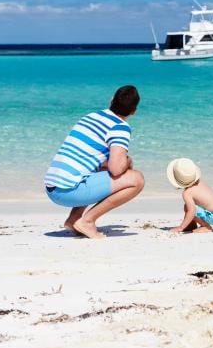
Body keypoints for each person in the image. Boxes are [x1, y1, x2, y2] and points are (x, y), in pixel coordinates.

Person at [44, 85, 144, 239]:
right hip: (68, 191)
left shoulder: (91, 117)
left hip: (52, 187)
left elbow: (100, 164)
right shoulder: (120, 127)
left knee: (101, 169)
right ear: (133, 111)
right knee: (137, 179)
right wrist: (128, 161)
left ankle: (74, 220)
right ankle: (87, 221)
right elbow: (116, 169)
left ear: (111, 100)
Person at [167, 158, 213, 233]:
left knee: (189, 208)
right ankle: (191, 225)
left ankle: (206, 227)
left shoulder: (187, 193)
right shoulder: (200, 182)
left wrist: (180, 228)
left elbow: (192, 211)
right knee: (189, 205)